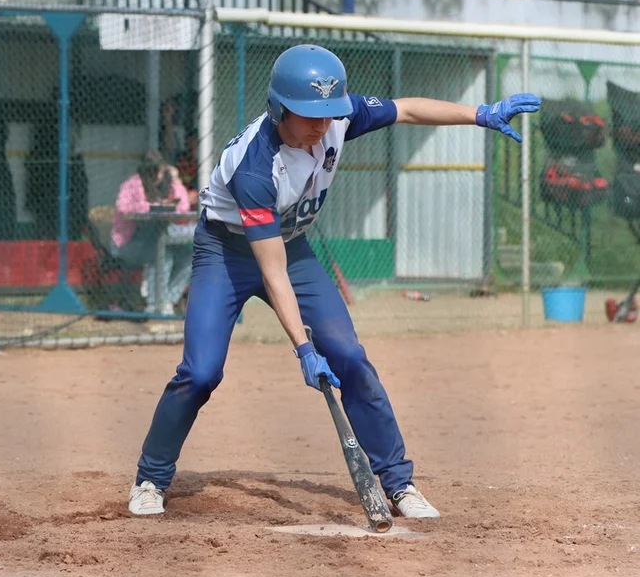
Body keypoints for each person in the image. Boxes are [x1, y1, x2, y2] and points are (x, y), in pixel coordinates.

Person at [127, 45, 541, 518]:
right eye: (309, 116)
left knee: (349, 356)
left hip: (292, 246)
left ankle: (399, 483)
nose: (321, 127)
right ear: (279, 109)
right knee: (201, 372)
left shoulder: (337, 119)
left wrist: (481, 114)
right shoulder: (255, 168)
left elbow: (406, 109)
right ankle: (151, 478)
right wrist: (303, 349)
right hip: (227, 251)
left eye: (328, 115)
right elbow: (271, 269)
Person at [111, 150, 194, 315]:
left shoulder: (167, 184)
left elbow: (183, 206)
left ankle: (168, 300)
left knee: (188, 258)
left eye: (160, 170)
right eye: (153, 170)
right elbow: (123, 207)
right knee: (163, 255)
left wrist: (175, 180)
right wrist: (151, 206)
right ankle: (154, 304)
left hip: (158, 238)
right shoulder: (133, 184)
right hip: (129, 244)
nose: (157, 174)